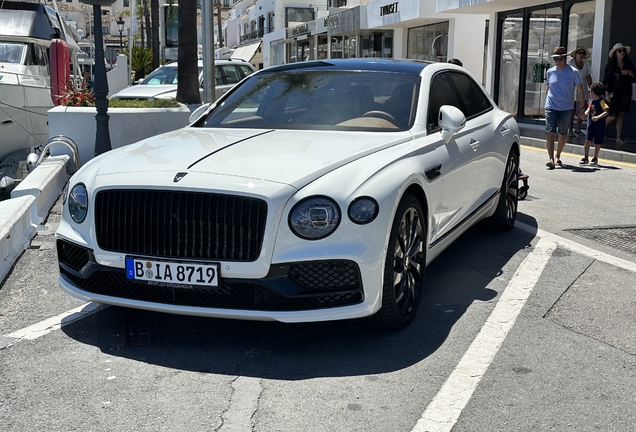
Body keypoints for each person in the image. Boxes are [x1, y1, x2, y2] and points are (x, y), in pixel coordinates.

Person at [544, 46, 585, 169]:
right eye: (556, 59)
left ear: (565, 59)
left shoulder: (573, 72)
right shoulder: (550, 71)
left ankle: (558, 156)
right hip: (551, 105)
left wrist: (582, 107)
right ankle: (550, 158)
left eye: (561, 59)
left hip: (566, 107)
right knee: (550, 132)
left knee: (563, 133)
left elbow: (580, 90)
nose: (558, 61)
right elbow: (548, 88)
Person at [602, 43, 636, 144]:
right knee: (613, 114)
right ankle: (599, 130)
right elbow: (606, 80)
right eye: (619, 51)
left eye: (623, 51)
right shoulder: (610, 65)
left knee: (621, 114)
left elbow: (635, 76)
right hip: (614, 92)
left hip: (625, 92)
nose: (622, 53)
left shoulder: (628, 63)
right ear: (615, 53)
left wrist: (630, 73)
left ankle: (618, 137)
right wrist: (607, 93)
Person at [580, 82, 610, 166]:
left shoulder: (602, 101)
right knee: (587, 141)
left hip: (599, 126)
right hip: (591, 125)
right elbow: (588, 110)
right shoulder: (592, 102)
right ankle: (585, 157)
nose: (589, 93)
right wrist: (584, 114)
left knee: (597, 142)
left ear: (593, 92)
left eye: (590, 91)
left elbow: (606, 111)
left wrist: (597, 117)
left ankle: (595, 157)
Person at [568, 46, 593, 137]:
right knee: (572, 109)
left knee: (583, 108)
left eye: (583, 53)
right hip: (572, 88)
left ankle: (578, 128)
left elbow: (588, 77)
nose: (581, 55)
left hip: (583, 89)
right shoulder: (570, 64)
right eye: (579, 53)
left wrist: (591, 88)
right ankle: (570, 129)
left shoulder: (586, 65)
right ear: (575, 54)